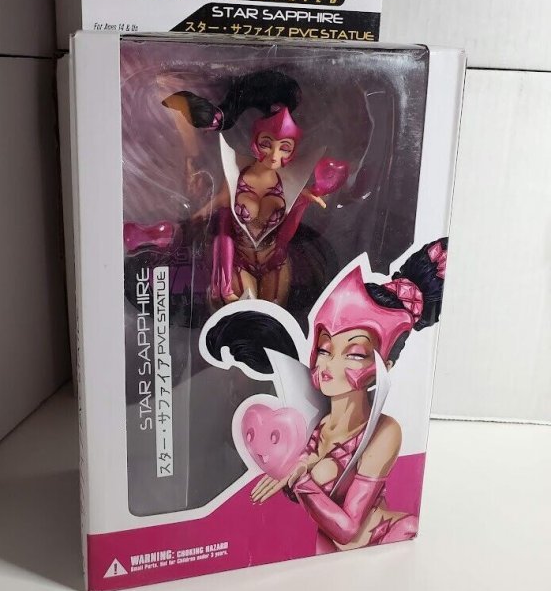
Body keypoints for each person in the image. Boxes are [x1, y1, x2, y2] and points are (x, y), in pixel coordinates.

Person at [205, 239, 447, 551]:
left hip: (387, 540)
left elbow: (347, 528)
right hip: (326, 554)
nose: (330, 364)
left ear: (383, 366)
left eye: (355, 354)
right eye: (324, 349)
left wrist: (299, 479)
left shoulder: (384, 432)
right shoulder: (321, 427)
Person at [162, 70, 348, 306]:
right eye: (267, 144)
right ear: (255, 141)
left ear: (293, 150)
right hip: (239, 259)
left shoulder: (291, 184)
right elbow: (216, 205)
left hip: (275, 260)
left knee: (272, 315)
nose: (274, 155)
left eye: (285, 148)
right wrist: (184, 225)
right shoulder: (235, 177)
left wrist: (313, 195)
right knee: (241, 310)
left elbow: (297, 217)